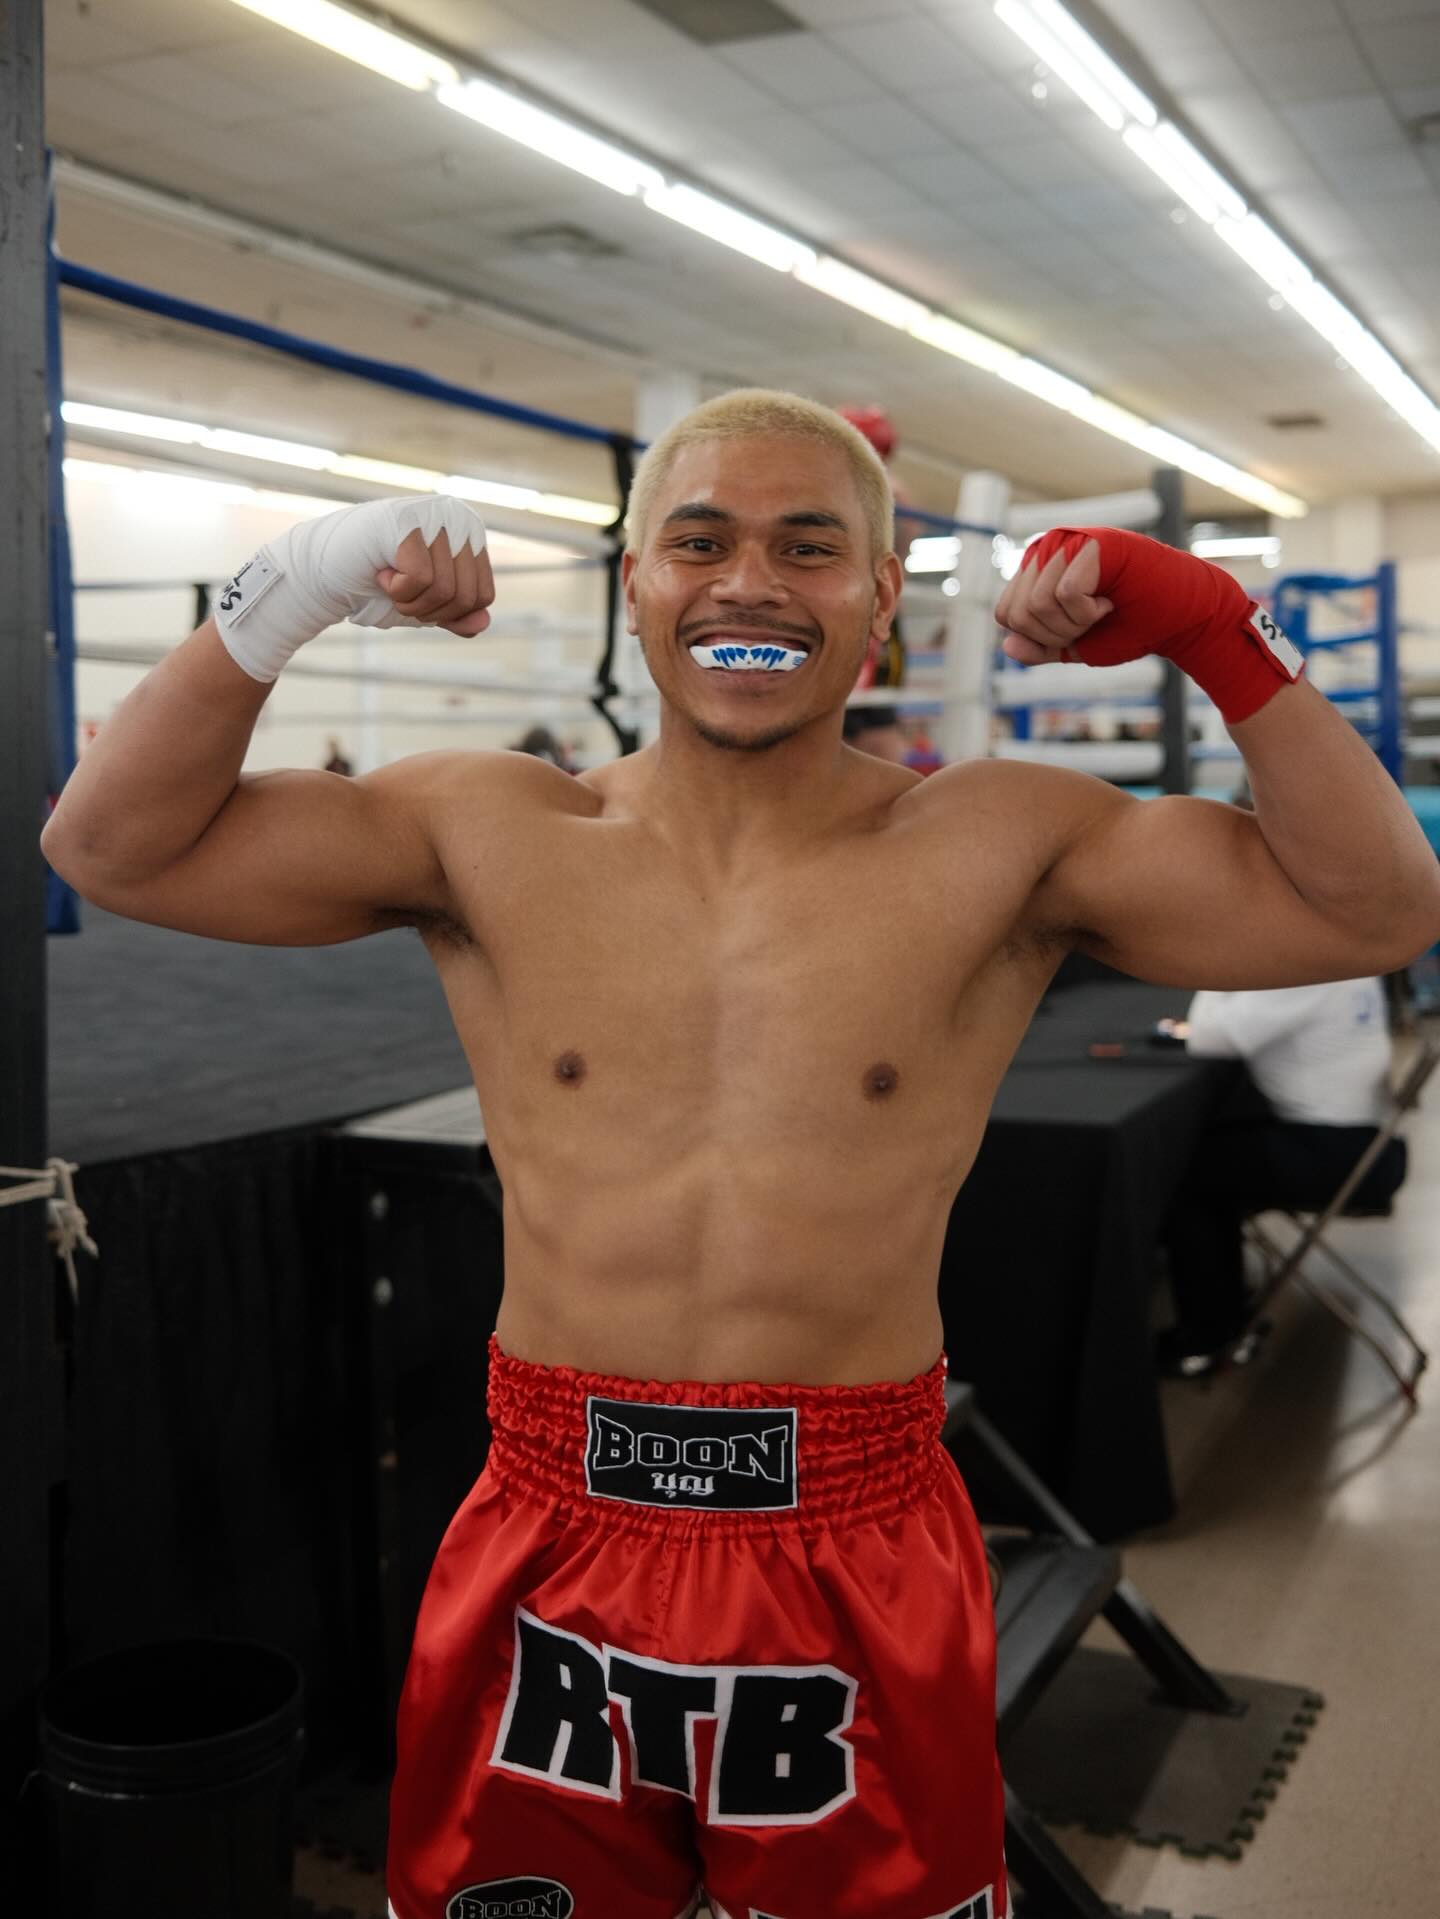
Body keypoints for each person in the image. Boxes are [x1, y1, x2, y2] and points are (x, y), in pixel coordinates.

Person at [40, 389, 1440, 1919]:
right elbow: (110, 847)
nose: (750, 583)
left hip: (857, 1529)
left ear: (884, 596)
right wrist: (293, 586)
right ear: (637, 582)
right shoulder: (489, 824)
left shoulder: (1001, 841)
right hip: (552, 1516)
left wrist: (1225, 634)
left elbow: (1374, 910)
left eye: (808, 547)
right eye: (699, 542)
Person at [1157, 974, 1408, 1377]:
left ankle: (1208, 1337)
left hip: (1338, 1155)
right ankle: (1227, 1311)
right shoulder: (1342, 957)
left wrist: (1213, 973)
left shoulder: (1303, 973)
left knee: (1184, 1174)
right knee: (1216, 1155)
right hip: (1370, 1146)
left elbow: (1209, 1037)